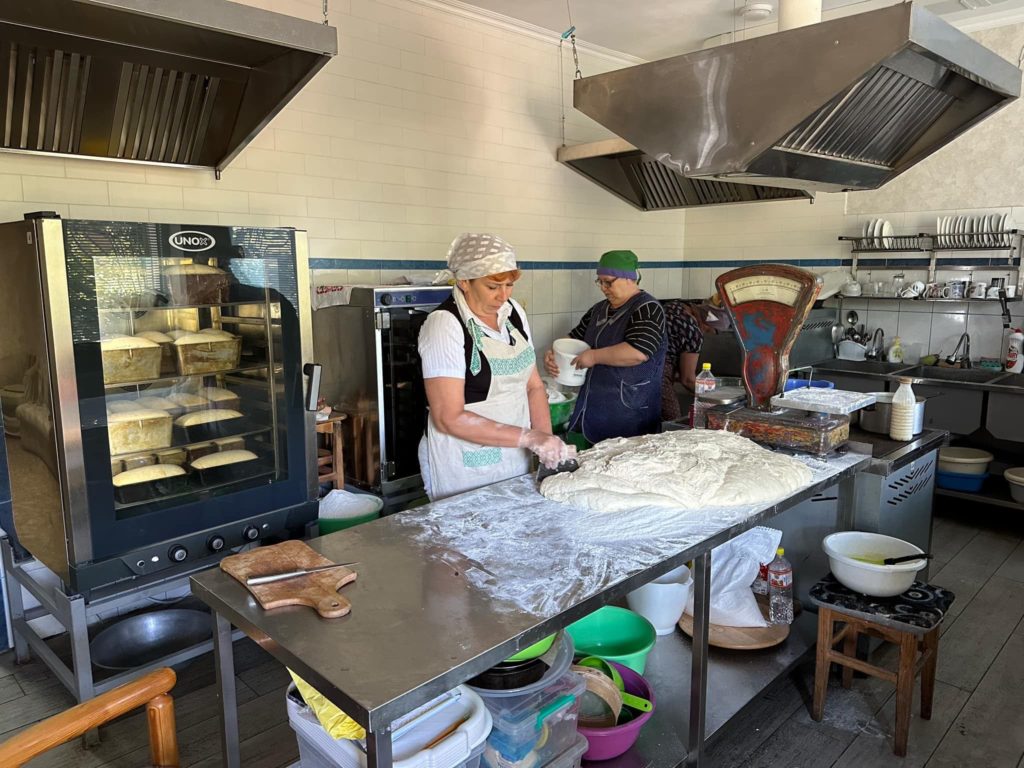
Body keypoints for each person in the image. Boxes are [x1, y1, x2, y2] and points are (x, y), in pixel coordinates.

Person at [418, 233, 574, 501]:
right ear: (464, 281)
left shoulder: (513, 313)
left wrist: (545, 443)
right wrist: (530, 438)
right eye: (493, 286)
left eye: (510, 285)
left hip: (517, 452)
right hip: (467, 462)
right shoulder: (445, 325)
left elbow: (534, 386)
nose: (503, 296)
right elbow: (448, 417)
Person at [544, 250, 667, 446]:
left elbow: (638, 352)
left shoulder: (647, 308)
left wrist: (593, 357)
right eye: (600, 282)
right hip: (593, 406)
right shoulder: (599, 309)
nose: (603, 288)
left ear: (630, 279)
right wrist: (555, 354)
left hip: (630, 412)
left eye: (608, 282)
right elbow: (574, 338)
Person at [660, 299, 704, 421]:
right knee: (672, 422)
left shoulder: (672, 305)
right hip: (658, 374)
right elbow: (688, 380)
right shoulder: (693, 333)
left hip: (631, 371)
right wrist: (714, 399)